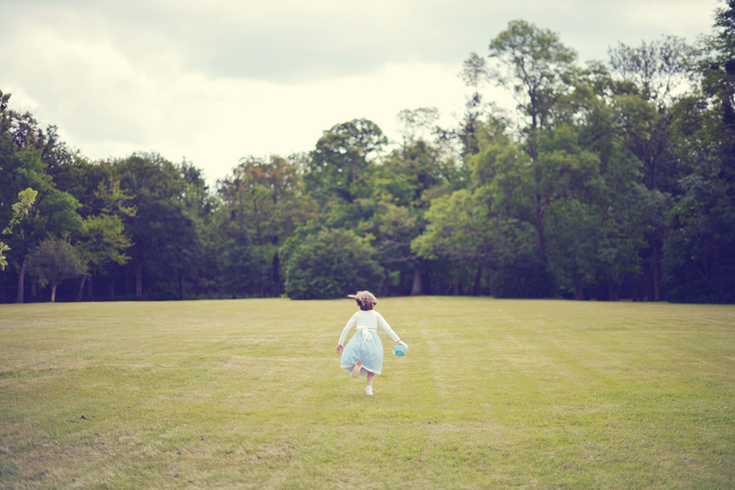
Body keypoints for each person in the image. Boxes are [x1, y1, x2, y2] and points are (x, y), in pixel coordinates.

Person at [335, 290, 407, 396]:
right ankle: (369, 388)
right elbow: (388, 329)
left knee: (356, 354)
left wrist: (340, 343)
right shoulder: (376, 315)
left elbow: (346, 329)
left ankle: (357, 365)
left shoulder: (357, 314)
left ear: (358, 303)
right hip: (372, 341)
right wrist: (398, 341)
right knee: (373, 363)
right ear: (373, 303)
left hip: (358, 340)